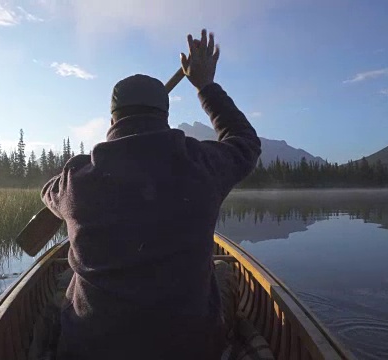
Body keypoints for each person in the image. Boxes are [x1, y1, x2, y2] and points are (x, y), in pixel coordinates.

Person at [41, 29, 262, 359]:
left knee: (66, 282)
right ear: (165, 115)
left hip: (93, 350)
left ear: (113, 118)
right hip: (190, 349)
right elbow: (244, 142)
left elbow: (48, 192)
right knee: (225, 273)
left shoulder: (77, 179)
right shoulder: (202, 163)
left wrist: (75, 171)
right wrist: (206, 87)